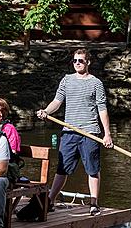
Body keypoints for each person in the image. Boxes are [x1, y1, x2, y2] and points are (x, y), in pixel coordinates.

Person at [36, 48, 114, 215]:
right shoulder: (66, 80)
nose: (77, 63)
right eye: (75, 61)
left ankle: (94, 203)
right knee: (62, 169)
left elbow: (102, 109)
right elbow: (57, 101)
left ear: (88, 62)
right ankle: (50, 200)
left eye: (81, 60)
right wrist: (47, 112)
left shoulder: (96, 83)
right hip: (69, 132)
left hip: (90, 132)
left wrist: (107, 134)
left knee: (92, 169)